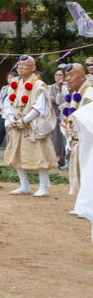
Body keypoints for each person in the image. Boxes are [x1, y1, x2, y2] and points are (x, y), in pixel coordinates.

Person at [1, 56, 57, 197]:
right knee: (18, 155)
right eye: (19, 65)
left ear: (33, 68)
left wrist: (23, 121)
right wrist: (11, 119)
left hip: (33, 126)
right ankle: (24, 185)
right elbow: (7, 104)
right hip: (16, 124)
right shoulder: (14, 84)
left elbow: (39, 107)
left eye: (25, 66)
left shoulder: (39, 85)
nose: (20, 68)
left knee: (40, 155)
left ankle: (43, 187)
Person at [61, 63, 92, 214]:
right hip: (75, 140)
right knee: (78, 172)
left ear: (82, 76)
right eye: (66, 76)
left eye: (71, 75)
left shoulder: (89, 93)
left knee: (87, 172)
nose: (68, 79)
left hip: (86, 141)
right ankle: (81, 205)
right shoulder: (74, 93)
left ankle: (86, 205)